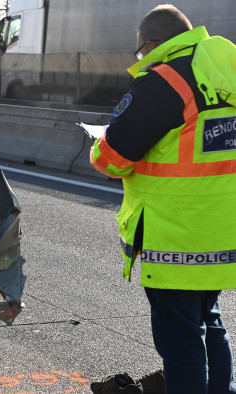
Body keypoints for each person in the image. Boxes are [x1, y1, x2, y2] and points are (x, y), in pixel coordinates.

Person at [89, 4, 236, 394]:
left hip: (176, 236)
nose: (141, 59)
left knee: (182, 342)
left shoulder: (166, 80)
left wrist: (97, 147)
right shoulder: (226, 73)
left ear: (153, 43)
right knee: (210, 324)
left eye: (141, 51)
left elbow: (114, 158)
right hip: (223, 233)